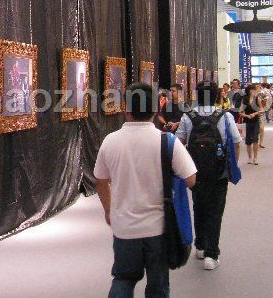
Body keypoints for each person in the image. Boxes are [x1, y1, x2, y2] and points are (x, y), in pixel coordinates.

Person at [94, 82, 197, 297]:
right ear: (155, 109)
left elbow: (100, 181)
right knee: (158, 284)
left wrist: (108, 210)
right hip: (158, 228)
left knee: (123, 279)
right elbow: (191, 179)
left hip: (124, 227)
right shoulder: (167, 142)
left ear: (126, 108)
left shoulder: (110, 141)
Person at [177, 82, 241, 271]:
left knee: (199, 207)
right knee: (215, 211)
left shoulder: (188, 116)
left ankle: (200, 246)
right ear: (217, 96)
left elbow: (179, 143)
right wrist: (232, 166)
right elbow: (236, 142)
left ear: (197, 95)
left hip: (195, 171)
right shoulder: (225, 116)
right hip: (218, 172)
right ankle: (211, 255)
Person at [241, 84, 262, 165]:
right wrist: (247, 116)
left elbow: (262, 110)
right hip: (247, 121)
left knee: (255, 139)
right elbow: (240, 112)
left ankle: (255, 158)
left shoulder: (257, 99)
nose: (254, 91)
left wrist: (255, 113)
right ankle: (250, 157)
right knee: (248, 140)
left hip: (256, 120)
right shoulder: (244, 99)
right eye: (252, 90)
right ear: (249, 91)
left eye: (254, 90)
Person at [257, 82, 270, 148]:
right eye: (257, 87)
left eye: (260, 87)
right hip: (254, 113)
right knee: (256, 128)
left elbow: (265, 105)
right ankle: (256, 141)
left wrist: (264, 101)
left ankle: (261, 143)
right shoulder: (253, 96)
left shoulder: (263, 95)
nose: (259, 89)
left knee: (262, 128)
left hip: (262, 112)